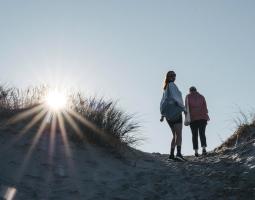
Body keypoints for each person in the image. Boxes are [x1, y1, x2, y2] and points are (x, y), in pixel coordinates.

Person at [160, 71, 186, 160]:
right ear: (168, 76)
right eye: (171, 75)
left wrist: (162, 115)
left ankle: (171, 154)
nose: (173, 77)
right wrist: (183, 108)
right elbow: (177, 98)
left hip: (168, 115)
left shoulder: (165, 88)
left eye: (174, 75)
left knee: (175, 135)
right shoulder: (172, 86)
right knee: (179, 134)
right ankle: (178, 153)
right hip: (176, 113)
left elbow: (163, 102)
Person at [185, 86, 209, 157]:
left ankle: (196, 151)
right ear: (196, 90)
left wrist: (186, 118)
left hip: (193, 119)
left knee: (194, 135)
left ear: (190, 91)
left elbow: (186, 108)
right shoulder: (201, 96)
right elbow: (205, 108)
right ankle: (204, 148)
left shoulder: (188, 97)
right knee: (202, 133)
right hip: (202, 118)